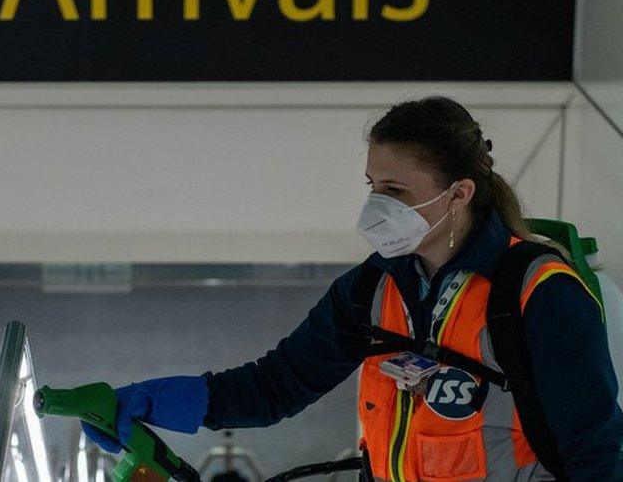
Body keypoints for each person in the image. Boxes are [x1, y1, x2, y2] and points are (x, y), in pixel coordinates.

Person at [82, 97, 623, 481]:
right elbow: (277, 385)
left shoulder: (538, 293)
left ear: (459, 193)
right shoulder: (371, 287)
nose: (375, 206)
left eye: (395, 189)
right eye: (372, 185)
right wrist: (148, 401)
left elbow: (594, 448)